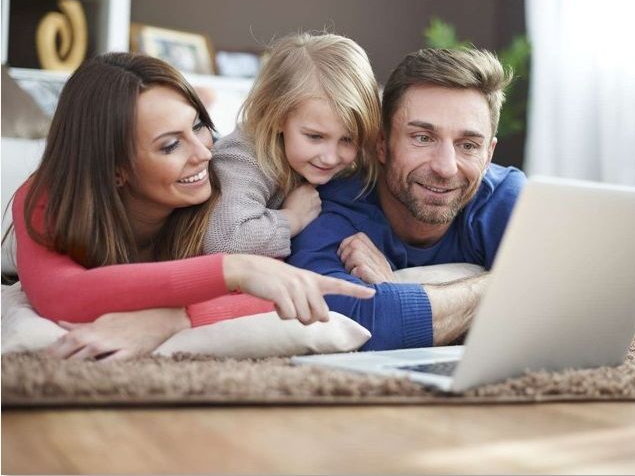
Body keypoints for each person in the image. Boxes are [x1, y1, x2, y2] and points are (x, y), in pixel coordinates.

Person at [10, 52, 374, 360]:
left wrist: (174, 319)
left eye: (199, 126)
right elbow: (63, 296)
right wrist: (234, 269)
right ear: (114, 169)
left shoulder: (227, 188)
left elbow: (278, 290)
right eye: (170, 146)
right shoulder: (45, 196)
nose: (204, 154)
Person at [284, 47, 528, 350]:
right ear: (382, 144)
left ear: (489, 153)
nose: (445, 166)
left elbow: (567, 301)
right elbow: (351, 324)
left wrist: (398, 290)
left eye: (468, 145)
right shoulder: (331, 207)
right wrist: (511, 283)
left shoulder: (505, 198)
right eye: (423, 138)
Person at [203, 32, 380, 258]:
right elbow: (227, 239)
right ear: (276, 115)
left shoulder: (340, 162)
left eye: (348, 139)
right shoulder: (243, 157)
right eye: (315, 137)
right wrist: (293, 217)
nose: (330, 157)